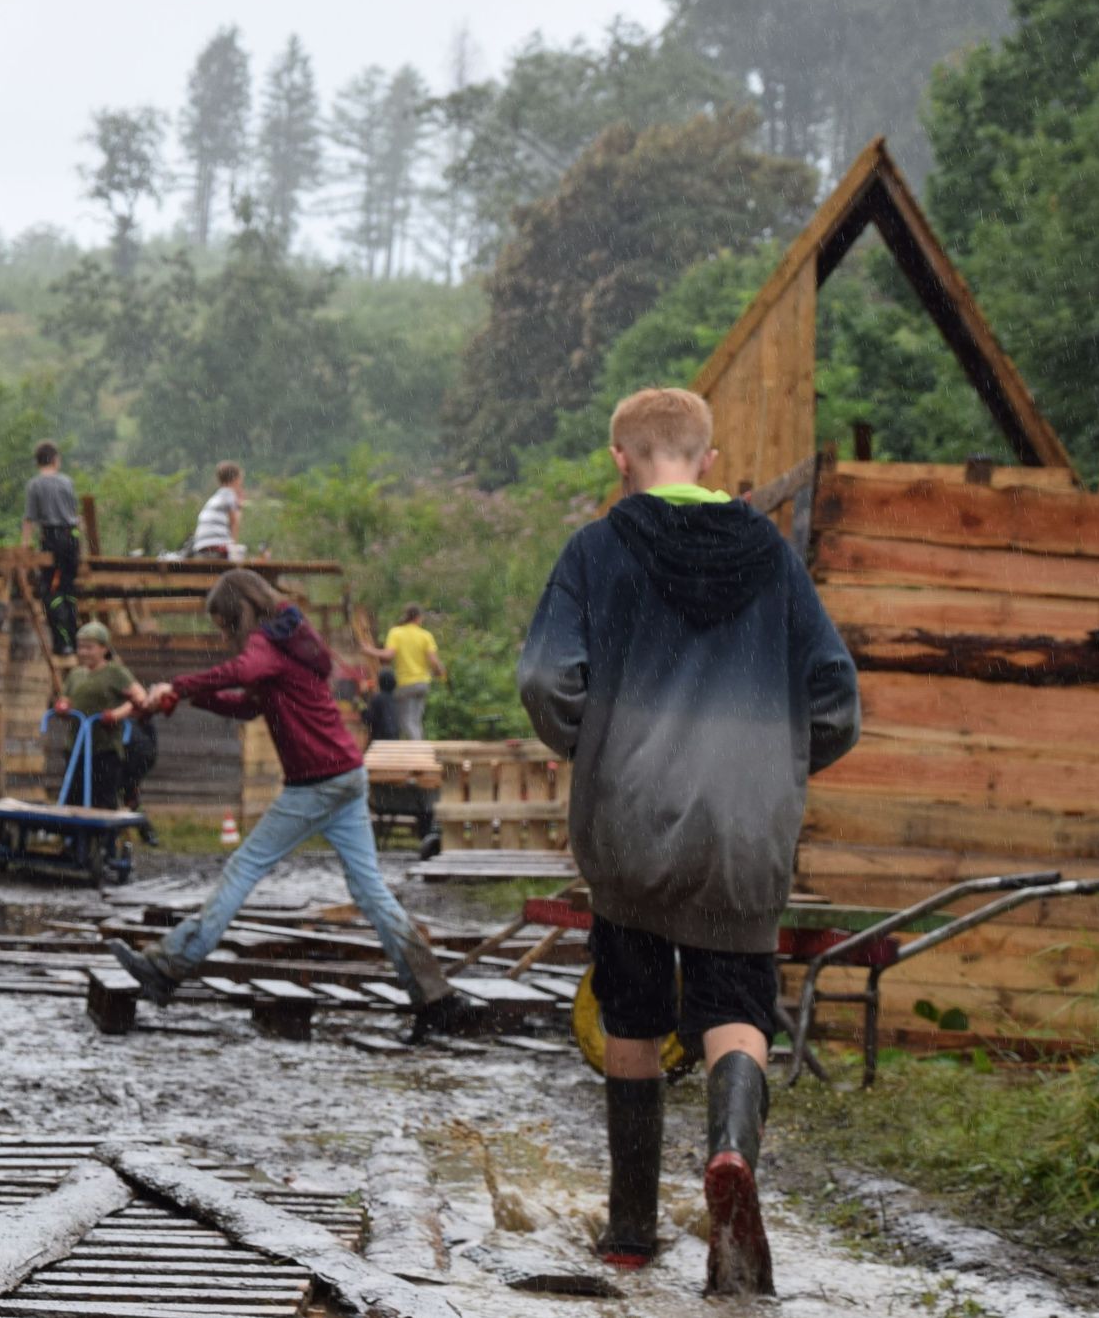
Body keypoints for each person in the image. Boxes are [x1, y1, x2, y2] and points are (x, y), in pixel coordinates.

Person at [517, 386, 859, 1295]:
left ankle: (630, 1232)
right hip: (746, 827)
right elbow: (836, 700)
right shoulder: (774, 557)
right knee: (735, 1006)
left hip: (630, 822)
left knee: (633, 1009)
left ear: (620, 460)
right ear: (709, 462)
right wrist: (773, 769)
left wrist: (598, 748)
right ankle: (731, 1160)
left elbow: (548, 679)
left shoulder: (596, 550)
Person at [108, 570, 473, 1038]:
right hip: (346, 776)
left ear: (238, 610)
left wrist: (178, 685)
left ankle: (170, 965)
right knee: (370, 892)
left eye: (223, 622)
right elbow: (248, 703)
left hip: (317, 782)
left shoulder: (265, 641)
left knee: (243, 869)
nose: (224, 634)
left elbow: (241, 673)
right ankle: (435, 995)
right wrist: (186, 699)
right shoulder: (289, 637)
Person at [55, 622, 160, 846]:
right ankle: (74, 843)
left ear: (104, 648)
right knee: (73, 795)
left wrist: (115, 714)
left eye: (89, 647)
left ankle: (105, 846)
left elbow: (140, 700)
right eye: (81, 647)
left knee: (103, 798)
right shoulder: (76, 675)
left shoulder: (115, 673)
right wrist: (62, 707)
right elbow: (66, 698)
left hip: (105, 748)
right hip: (76, 747)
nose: (83, 652)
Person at [22, 440, 82, 654]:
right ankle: (75, 640)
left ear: (38, 461)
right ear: (55, 460)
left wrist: (25, 545)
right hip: (72, 539)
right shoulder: (67, 482)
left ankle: (62, 643)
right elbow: (75, 515)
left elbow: (29, 519)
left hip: (52, 540)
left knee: (51, 590)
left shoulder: (35, 485)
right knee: (68, 589)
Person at [364, 604, 444, 740]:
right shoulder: (425, 635)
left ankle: (416, 750)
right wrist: (440, 671)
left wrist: (370, 651)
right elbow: (434, 661)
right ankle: (418, 746)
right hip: (423, 684)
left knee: (405, 721)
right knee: (415, 720)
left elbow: (389, 655)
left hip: (405, 684)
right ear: (418, 618)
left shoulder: (396, 633)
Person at [191, 461, 245, 558]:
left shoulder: (216, 497)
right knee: (239, 554)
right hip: (216, 546)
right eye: (240, 479)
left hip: (200, 546)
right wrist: (233, 548)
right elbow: (234, 522)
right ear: (235, 479)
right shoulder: (230, 494)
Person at [362, 670, 400, 747]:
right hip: (394, 736)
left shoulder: (378, 698)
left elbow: (369, 719)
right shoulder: (396, 698)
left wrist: (362, 708)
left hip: (381, 737)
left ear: (380, 682)